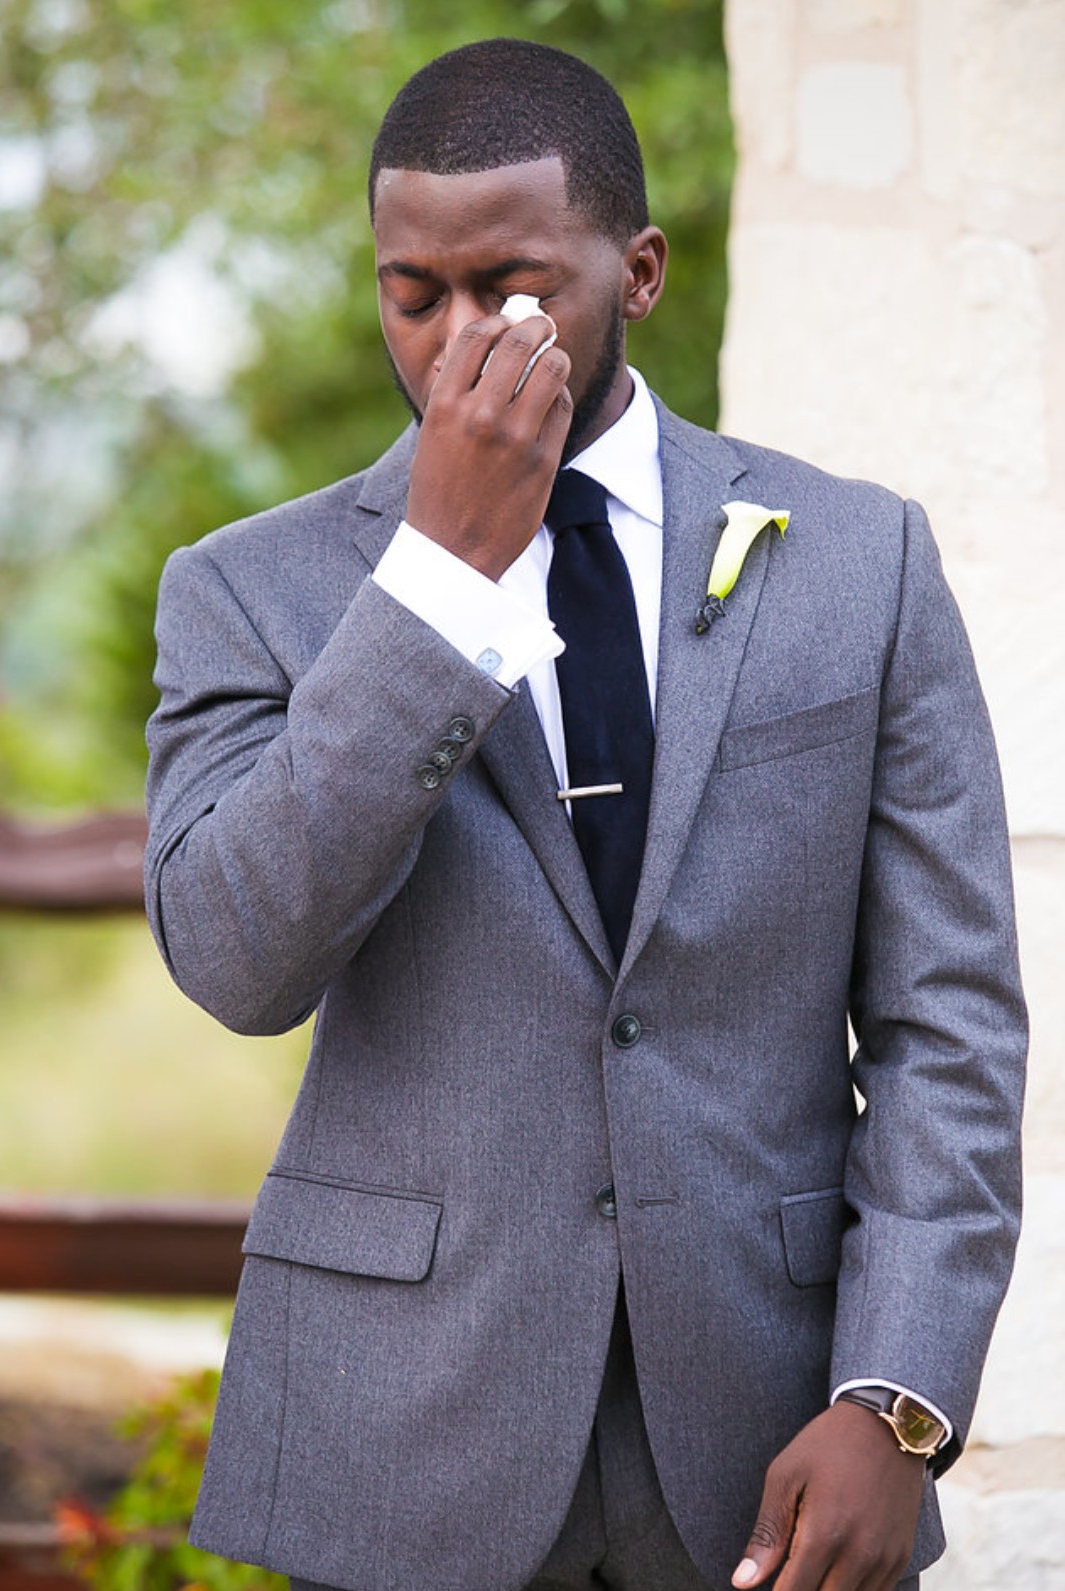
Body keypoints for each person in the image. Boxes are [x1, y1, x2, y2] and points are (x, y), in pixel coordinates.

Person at [144, 38, 1026, 1591]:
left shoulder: (863, 563)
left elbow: (948, 1023)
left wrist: (895, 1402)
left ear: (641, 269)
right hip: (402, 1443)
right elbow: (236, 959)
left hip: (770, 1443)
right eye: (415, 292)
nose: (463, 338)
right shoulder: (249, 590)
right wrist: (436, 582)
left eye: (515, 284)